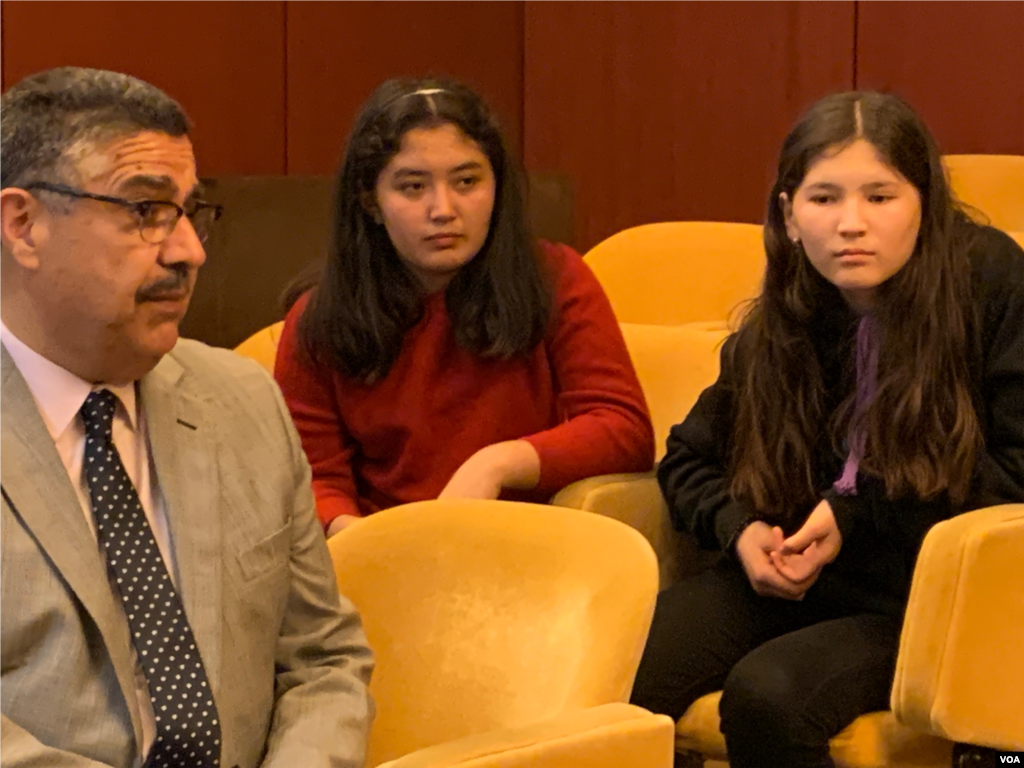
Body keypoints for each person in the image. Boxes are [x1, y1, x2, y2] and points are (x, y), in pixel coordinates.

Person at [629, 91, 1024, 767]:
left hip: (925, 592)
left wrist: (857, 514)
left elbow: (1015, 477)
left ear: (925, 203)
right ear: (788, 215)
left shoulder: (988, 279)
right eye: (823, 199)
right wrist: (741, 529)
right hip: (793, 577)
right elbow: (688, 461)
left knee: (769, 695)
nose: (850, 224)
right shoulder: (786, 311)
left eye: (879, 196)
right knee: (617, 665)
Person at [0, 67, 373, 768]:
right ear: (24, 225)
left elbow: (323, 663)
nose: (188, 252)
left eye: (190, 213)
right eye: (145, 211)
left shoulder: (243, 402)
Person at [274, 77, 654, 536]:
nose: (443, 209)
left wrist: (497, 464)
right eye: (413, 187)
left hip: (528, 548)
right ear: (370, 202)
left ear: (497, 186)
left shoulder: (555, 278)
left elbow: (623, 428)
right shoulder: (320, 318)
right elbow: (312, 478)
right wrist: (352, 535)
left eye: (467, 181)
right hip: (383, 550)